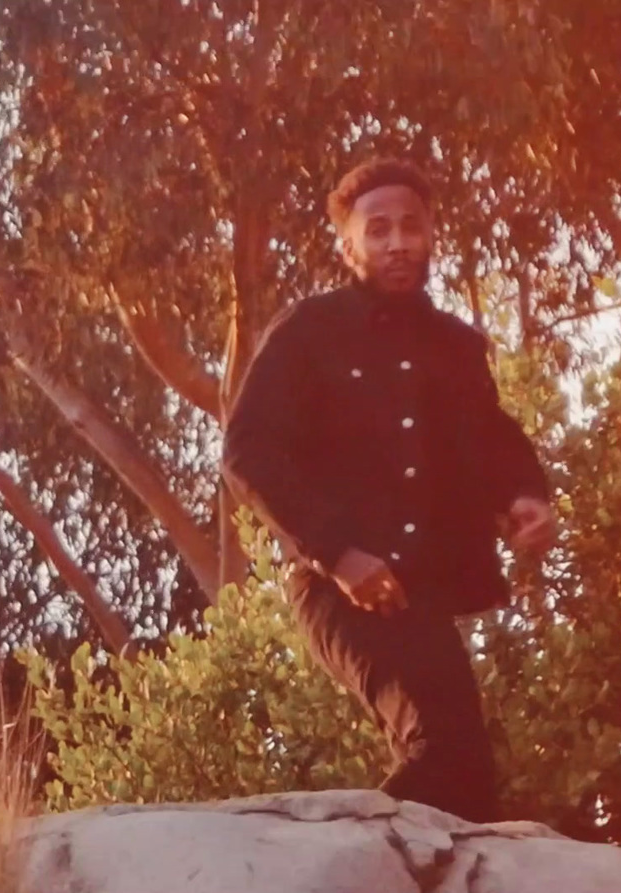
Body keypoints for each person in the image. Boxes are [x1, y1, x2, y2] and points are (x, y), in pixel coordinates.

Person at [220, 156, 557, 824]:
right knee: (444, 750)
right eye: (378, 230)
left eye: (411, 226)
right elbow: (247, 450)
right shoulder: (309, 332)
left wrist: (522, 494)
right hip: (338, 590)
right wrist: (340, 554)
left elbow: (489, 436)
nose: (398, 241)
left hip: (422, 596)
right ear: (349, 245)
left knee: (468, 775)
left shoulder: (457, 347)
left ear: (432, 235)